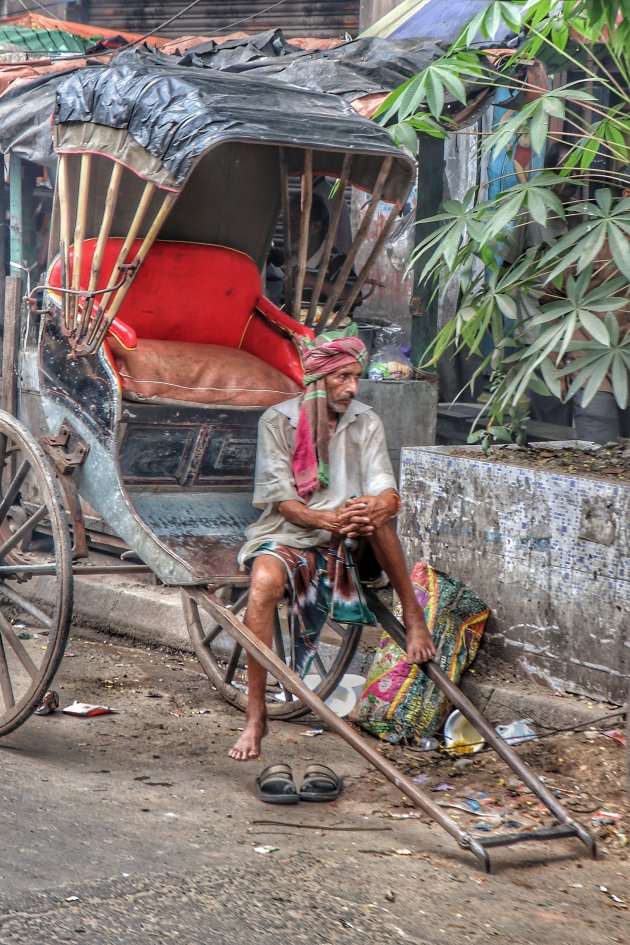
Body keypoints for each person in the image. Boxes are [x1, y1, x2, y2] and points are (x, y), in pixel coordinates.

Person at [229, 330, 436, 761]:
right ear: (318, 379)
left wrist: (379, 506)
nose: (352, 388)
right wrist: (324, 518)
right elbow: (283, 501)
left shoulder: (367, 421)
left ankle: (413, 616)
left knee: (377, 516)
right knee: (264, 583)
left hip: (352, 539)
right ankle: (255, 713)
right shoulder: (278, 422)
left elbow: (386, 488)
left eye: (356, 377)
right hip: (292, 532)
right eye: (342, 377)